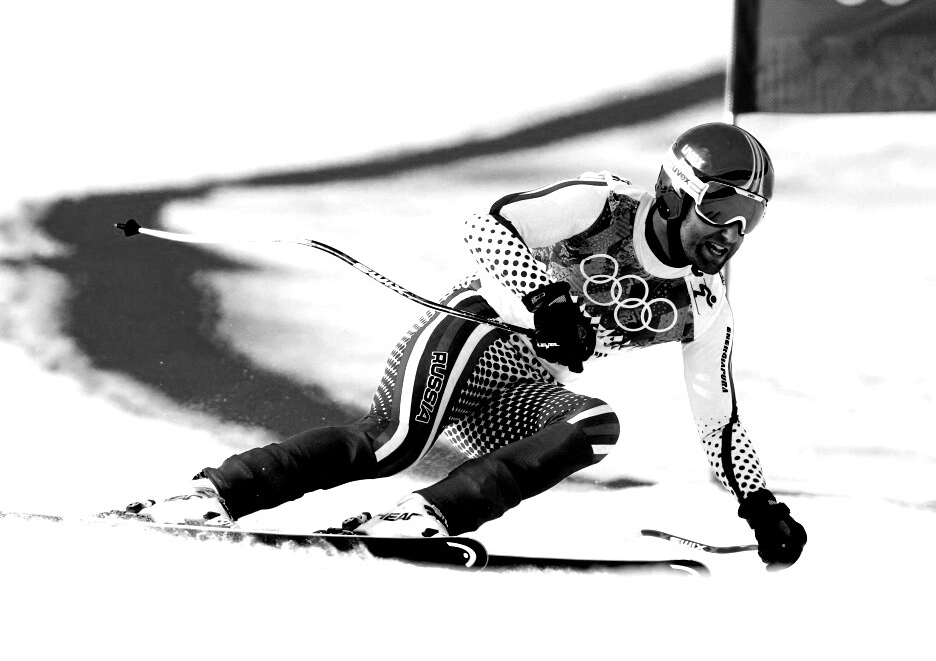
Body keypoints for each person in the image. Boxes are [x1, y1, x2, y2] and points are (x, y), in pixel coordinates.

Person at [126, 122, 807, 570]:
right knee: (392, 443)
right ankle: (211, 494)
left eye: (749, 220)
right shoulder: (604, 205)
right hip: (475, 331)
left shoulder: (705, 303)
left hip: (526, 386)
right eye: (721, 210)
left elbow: (718, 419)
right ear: (676, 195)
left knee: (594, 425)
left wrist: (759, 505)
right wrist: (547, 299)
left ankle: (423, 517)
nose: (730, 235)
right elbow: (485, 225)